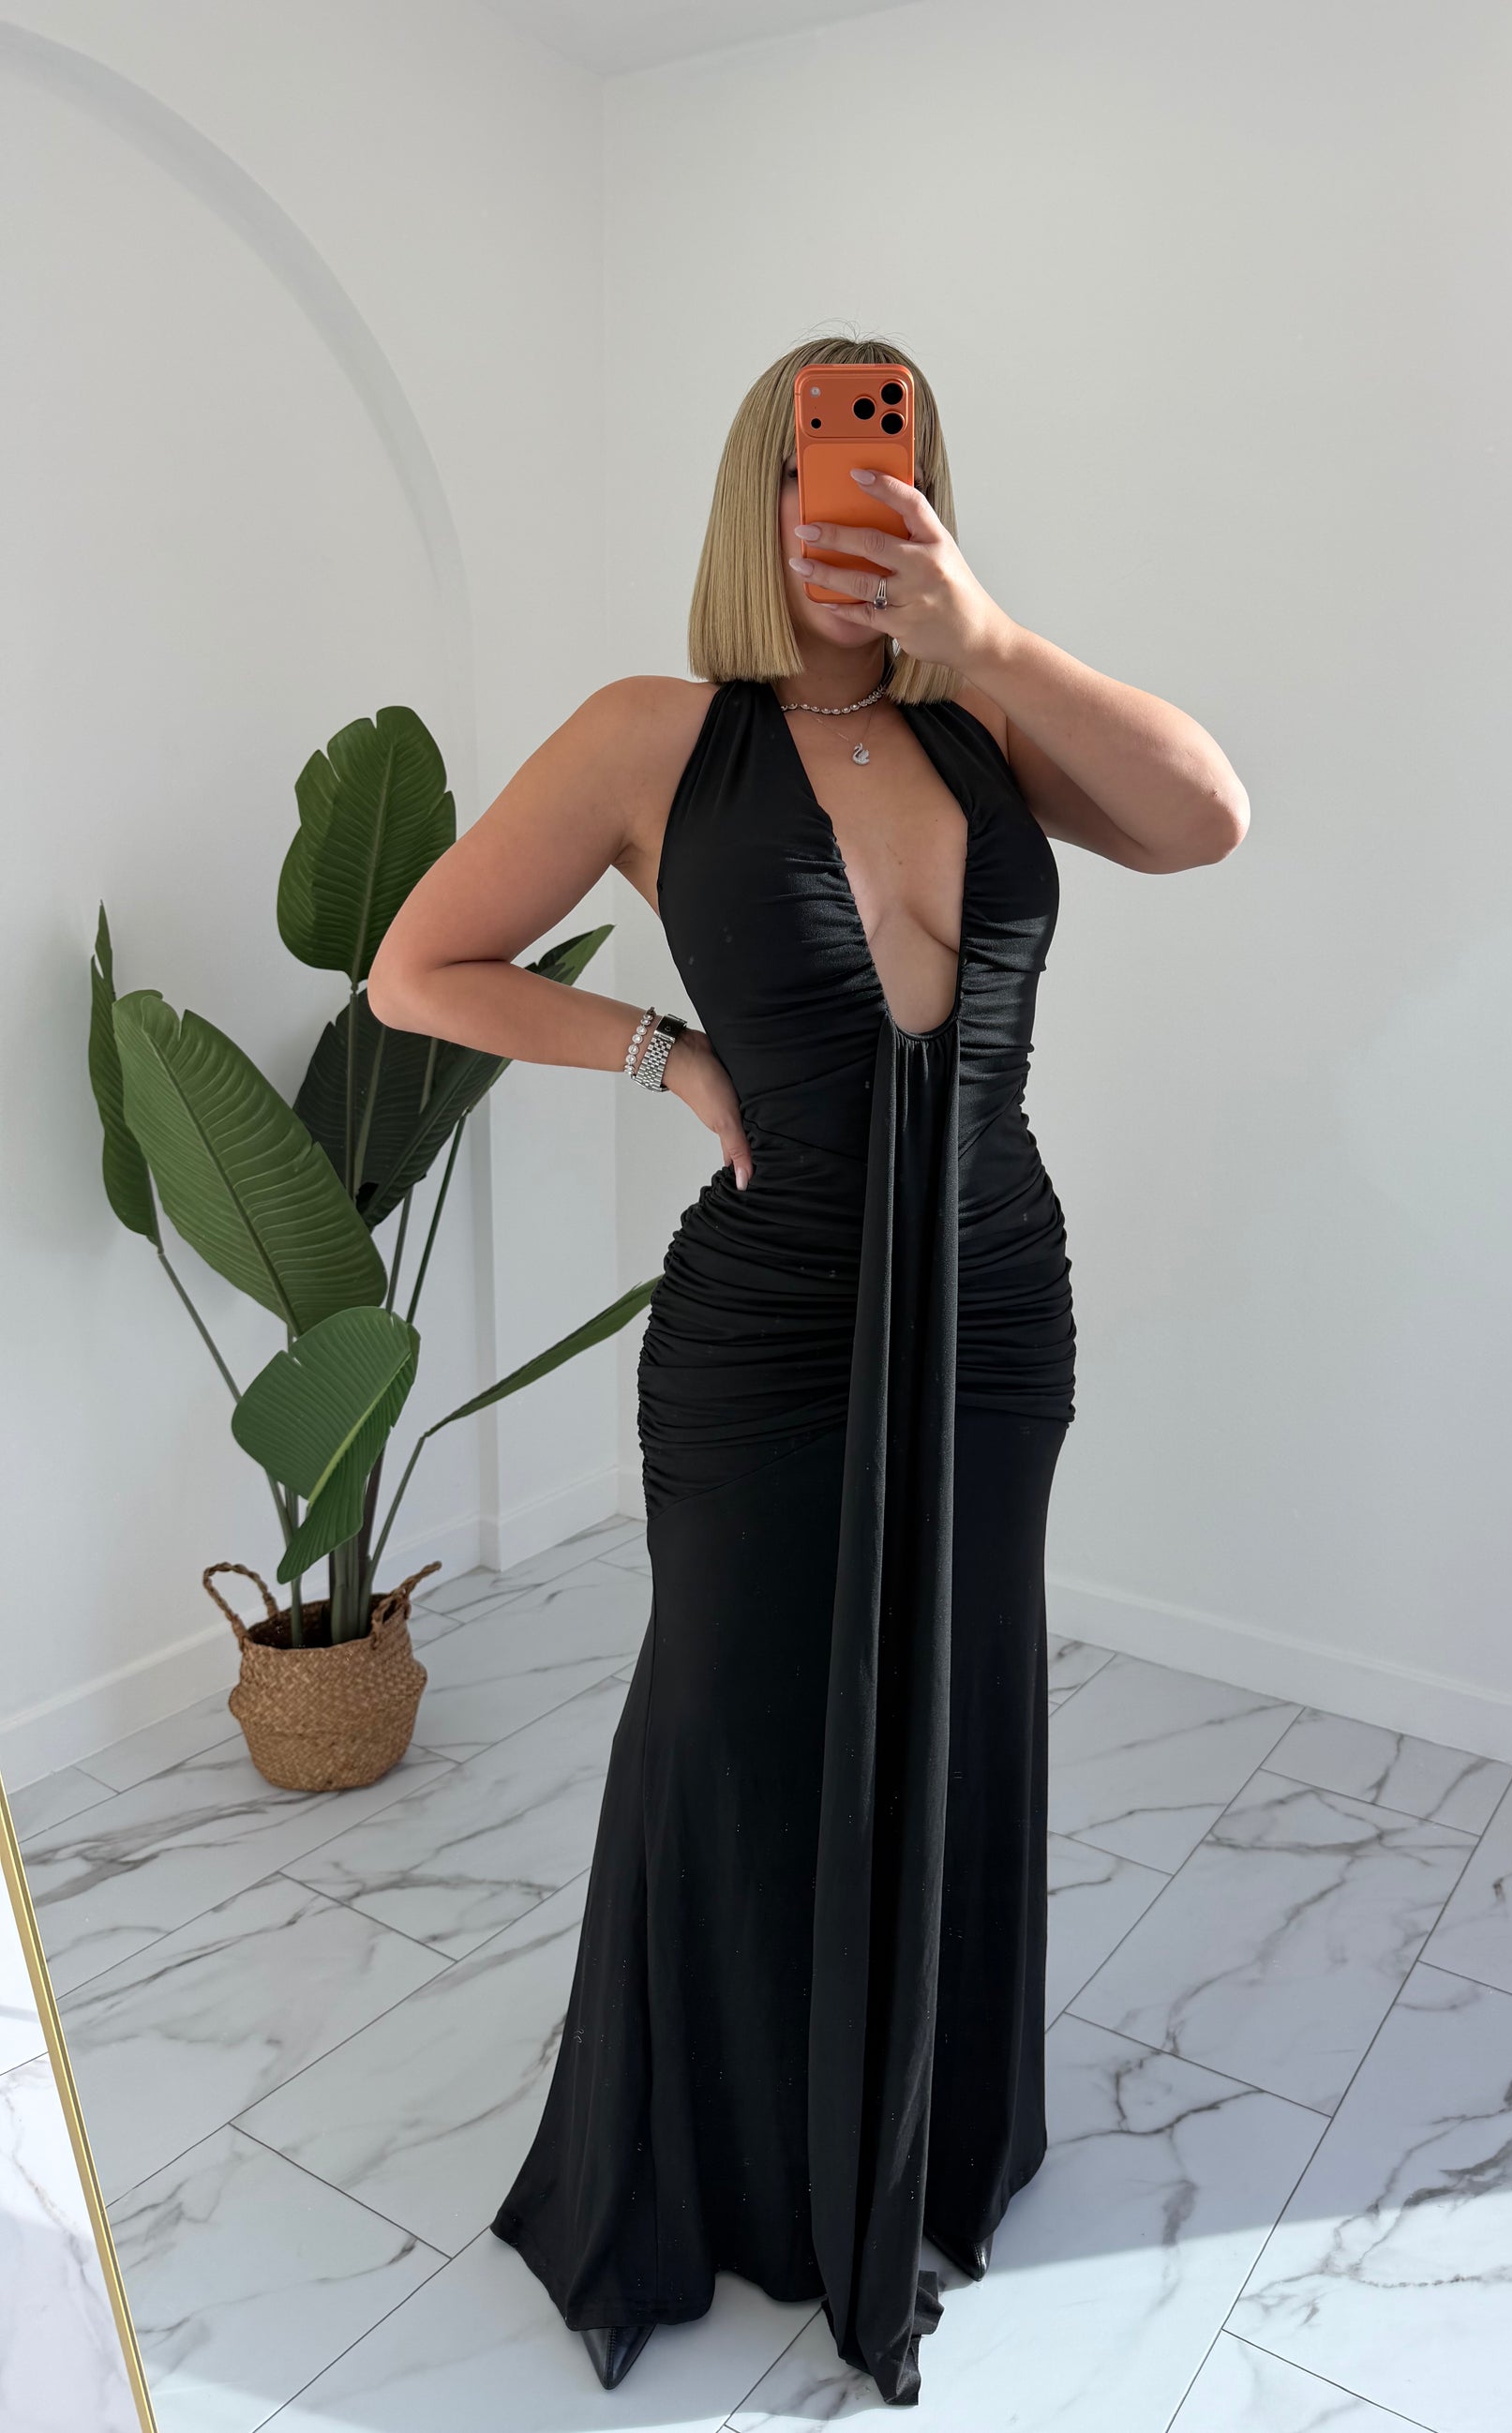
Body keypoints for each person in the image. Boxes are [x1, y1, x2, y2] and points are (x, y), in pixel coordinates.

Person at [366, 335, 1248, 2407]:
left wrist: (987, 636)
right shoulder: (652, 736)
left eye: (889, 453)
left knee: (958, 1693)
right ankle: (737, 2155)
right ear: (752, 494)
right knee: (728, 1721)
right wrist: (661, 1055)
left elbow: (1206, 817)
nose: (847, 492)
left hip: (994, 1304)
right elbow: (417, 967)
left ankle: (927, 2127)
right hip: (765, 1322)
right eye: (811, 459)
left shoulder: (985, 726)